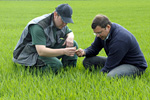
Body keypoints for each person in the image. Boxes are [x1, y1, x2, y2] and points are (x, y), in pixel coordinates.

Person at [76, 14, 147, 78]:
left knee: (110, 76)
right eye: (95, 33)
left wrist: (97, 78)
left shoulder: (120, 39)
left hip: (134, 65)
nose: (97, 35)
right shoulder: (102, 35)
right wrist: (84, 52)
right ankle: (118, 69)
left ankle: (124, 71)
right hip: (118, 61)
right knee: (87, 61)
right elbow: (94, 48)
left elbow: (109, 66)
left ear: (108, 27)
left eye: (99, 32)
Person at [13, 4, 78, 73]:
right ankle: (27, 69)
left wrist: (70, 37)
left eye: (67, 21)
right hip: (29, 55)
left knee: (73, 44)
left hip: (44, 48)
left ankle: (68, 71)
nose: (65, 24)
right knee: (55, 65)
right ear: (56, 14)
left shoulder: (60, 23)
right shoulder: (38, 26)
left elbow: (69, 32)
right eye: (63, 20)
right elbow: (41, 51)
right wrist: (64, 51)